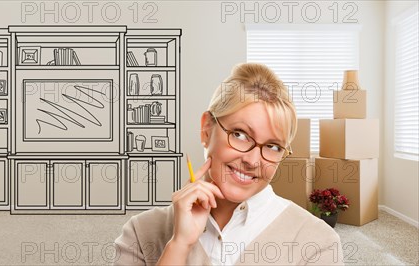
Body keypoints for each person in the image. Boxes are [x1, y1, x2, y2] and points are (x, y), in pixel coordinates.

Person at [114, 63, 344, 265]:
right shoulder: (141, 233)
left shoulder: (317, 242)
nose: (253, 161)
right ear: (206, 130)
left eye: (273, 146)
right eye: (240, 134)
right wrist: (179, 246)